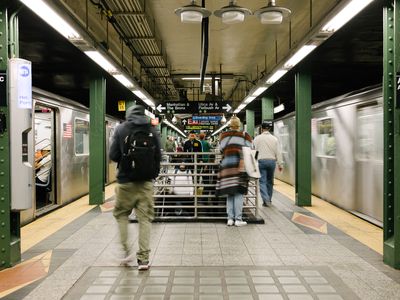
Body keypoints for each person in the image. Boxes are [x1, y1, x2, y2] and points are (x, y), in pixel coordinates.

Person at [109, 104, 161, 270]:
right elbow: (158, 156)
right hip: (146, 183)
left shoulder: (121, 129)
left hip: (125, 181)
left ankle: (125, 252)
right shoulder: (152, 130)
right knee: (144, 219)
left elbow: (113, 155)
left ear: (128, 115)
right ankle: (143, 260)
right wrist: (152, 174)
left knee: (121, 215)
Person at [216, 116, 252, 227]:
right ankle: (238, 219)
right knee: (239, 193)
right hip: (239, 167)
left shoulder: (224, 135)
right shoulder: (245, 135)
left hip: (226, 167)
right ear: (239, 125)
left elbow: (221, 149)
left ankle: (230, 219)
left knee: (230, 193)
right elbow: (250, 149)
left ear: (230, 125)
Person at [253, 120, 283, 207]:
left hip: (261, 161)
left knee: (262, 181)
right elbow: (278, 152)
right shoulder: (274, 139)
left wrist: (254, 163)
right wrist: (280, 164)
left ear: (261, 129)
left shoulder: (257, 138)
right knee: (270, 181)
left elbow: (254, 151)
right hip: (271, 161)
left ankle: (265, 199)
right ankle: (269, 199)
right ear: (269, 128)